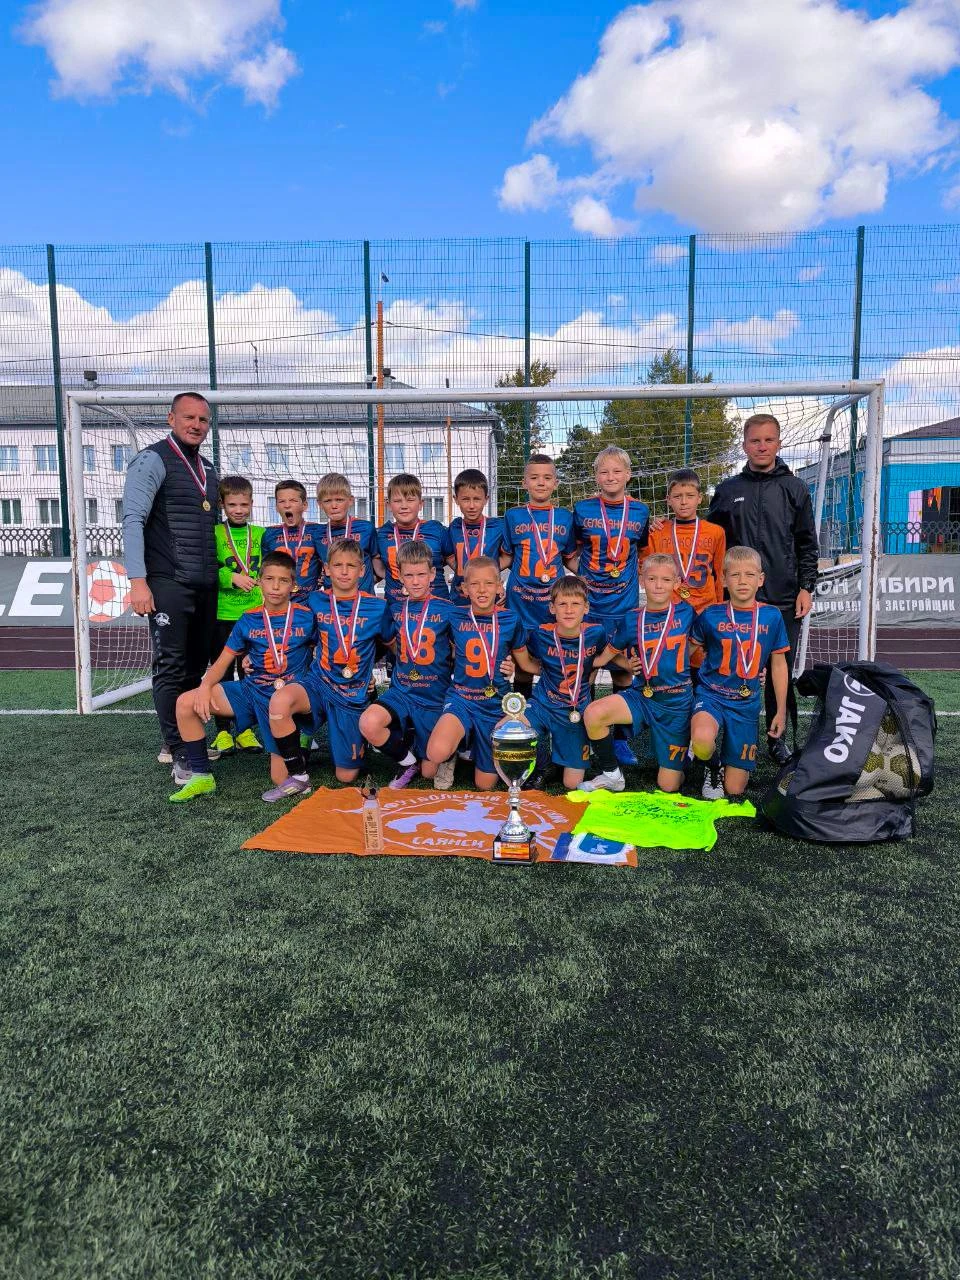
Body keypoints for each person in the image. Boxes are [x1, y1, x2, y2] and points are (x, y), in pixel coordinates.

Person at [707, 413, 818, 762]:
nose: (762, 446)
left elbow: (807, 543)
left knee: (779, 669)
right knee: (726, 665)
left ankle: (777, 737)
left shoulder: (795, 488)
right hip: (736, 599)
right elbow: (711, 542)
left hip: (783, 597)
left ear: (779, 444)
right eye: (755, 440)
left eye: (769, 440)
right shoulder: (728, 490)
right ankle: (715, 735)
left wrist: (806, 586)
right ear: (745, 445)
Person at [168, 552, 315, 803]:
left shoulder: (307, 616)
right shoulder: (249, 619)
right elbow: (222, 662)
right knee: (185, 703)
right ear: (259, 581)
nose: (276, 586)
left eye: (283, 580)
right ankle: (202, 776)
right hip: (251, 691)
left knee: (280, 778)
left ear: (293, 585)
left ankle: (301, 739)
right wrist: (205, 687)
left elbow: (324, 653)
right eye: (269, 579)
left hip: (284, 700)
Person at [123, 390, 220, 769]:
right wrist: (138, 581)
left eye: (203, 420)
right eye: (189, 417)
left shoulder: (208, 469)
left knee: (196, 667)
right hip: (168, 582)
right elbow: (133, 521)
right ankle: (177, 749)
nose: (196, 425)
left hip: (205, 584)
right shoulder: (151, 459)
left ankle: (188, 740)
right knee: (171, 665)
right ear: (171, 419)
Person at [266, 538, 391, 794]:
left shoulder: (378, 607)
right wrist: (251, 658)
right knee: (280, 701)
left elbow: (390, 646)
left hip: (351, 695)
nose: (344, 571)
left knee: (346, 776)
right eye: (337, 565)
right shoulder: (314, 600)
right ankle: (299, 772)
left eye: (351, 566)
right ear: (326, 569)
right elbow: (294, 636)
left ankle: (357, 736)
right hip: (319, 683)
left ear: (362, 570)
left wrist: (367, 674)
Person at [582, 555, 695, 795]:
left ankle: (689, 755)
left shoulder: (687, 612)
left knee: (669, 785)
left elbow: (709, 646)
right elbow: (608, 653)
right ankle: (612, 775)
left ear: (676, 582)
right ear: (642, 580)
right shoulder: (632, 618)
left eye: (666, 580)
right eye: (652, 579)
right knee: (593, 713)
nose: (658, 585)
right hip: (642, 696)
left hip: (675, 703)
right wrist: (605, 663)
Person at [569, 445, 650, 767]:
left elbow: (643, 550)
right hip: (590, 607)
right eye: (604, 471)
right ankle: (585, 736)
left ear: (628, 475)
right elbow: (570, 552)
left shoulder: (641, 512)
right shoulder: (582, 509)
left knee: (623, 673)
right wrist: (582, 576)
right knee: (586, 671)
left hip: (624, 606)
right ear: (596, 476)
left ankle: (619, 740)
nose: (611, 476)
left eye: (617, 471)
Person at [690, 546, 790, 800]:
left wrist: (780, 710)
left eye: (749, 574)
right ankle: (712, 767)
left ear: (761, 579)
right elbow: (683, 652)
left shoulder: (771, 616)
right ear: (724, 580)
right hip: (711, 695)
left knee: (735, 789)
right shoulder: (710, 614)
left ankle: (726, 762)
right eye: (735, 575)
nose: (742, 581)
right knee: (701, 740)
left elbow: (779, 665)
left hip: (746, 703)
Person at [359, 539, 456, 789]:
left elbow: (461, 651)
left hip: (434, 697)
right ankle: (407, 762)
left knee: (430, 772)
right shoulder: (394, 609)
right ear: (400, 577)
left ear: (432, 574)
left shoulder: (448, 610)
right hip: (402, 692)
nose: (415, 581)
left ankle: (449, 749)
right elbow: (387, 644)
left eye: (421, 574)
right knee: (369, 722)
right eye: (409, 575)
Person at [425, 556, 527, 791]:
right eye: (474, 584)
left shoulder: (511, 619)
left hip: (495, 703)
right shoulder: (454, 615)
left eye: (489, 583)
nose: (482, 590)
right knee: (435, 754)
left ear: (499, 586)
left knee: (485, 784)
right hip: (462, 698)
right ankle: (451, 752)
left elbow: (524, 662)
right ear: (464, 588)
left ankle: (466, 746)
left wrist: (514, 665)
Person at [513, 576, 619, 791]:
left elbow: (602, 657)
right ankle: (544, 764)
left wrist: (628, 665)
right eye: (562, 604)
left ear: (586, 607)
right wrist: (541, 669)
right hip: (544, 703)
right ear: (552, 608)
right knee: (509, 731)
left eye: (575, 604)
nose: (569, 610)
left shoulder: (596, 632)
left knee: (572, 783)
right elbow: (527, 663)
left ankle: (562, 757)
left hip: (575, 709)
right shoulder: (541, 634)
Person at [502, 454, 576, 703]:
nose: (541, 483)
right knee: (521, 664)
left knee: (554, 659)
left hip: (551, 605)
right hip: (520, 602)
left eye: (547, 477)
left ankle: (555, 709)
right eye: (534, 478)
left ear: (556, 482)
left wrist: (592, 577)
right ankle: (520, 714)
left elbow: (569, 558)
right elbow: (507, 557)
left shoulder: (565, 517)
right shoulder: (513, 516)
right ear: (524, 483)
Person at [210, 475, 266, 756]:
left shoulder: (261, 535)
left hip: (253, 615)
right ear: (222, 504)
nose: (239, 510)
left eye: (244, 504)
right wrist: (230, 577)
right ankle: (222, 732)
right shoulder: (215, 533)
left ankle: (245, 730)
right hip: (222, 614)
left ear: (252, 503)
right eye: (232, 504)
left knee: (249, 671)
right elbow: (206, 566)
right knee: (221, 671)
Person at [643, 468, 726, 613]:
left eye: (690, 495)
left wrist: (719, 610)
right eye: (677, 496)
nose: (683, 502)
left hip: (707, 609)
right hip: (672, 610)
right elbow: (647, 573)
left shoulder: (716, 532)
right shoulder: (658, 532)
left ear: (699, 498)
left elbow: (720, 575)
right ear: (668, 500)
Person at [376, 472, 451, 605]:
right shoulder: (381, 534)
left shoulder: (436, 530)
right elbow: (376, 562)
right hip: (397, 608)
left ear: (421, 504)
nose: (404, 506)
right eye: (397, 501)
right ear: (388, 505)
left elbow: (452, 560)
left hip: (436, 607)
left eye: (410, 500)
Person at [446, 468, 506, 606]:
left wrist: (491, 571)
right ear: (456, 499)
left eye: (477, 499)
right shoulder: (454, 528)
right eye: (466, 499)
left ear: (486, 499)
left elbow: (509, 557)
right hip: (459, 599)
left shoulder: (498, 527)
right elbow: (448, 556)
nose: (472, 506)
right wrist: (463, 570)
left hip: (491, 599)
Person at [315, 472, 381, 593]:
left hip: (363, 599)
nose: (334, 505)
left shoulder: (366, 528)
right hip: (333, 600)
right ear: (319, 504)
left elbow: (377, 558)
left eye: (339, 500)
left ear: (350, 500)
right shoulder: (317, 534)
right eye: (327, 501)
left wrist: (371, 581)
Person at [261, 479, 324, 603]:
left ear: (304, 505)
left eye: (293, 500)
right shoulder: (268, 534)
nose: (287, 505)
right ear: (276, 507)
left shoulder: (318, 531)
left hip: (309, 602)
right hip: (280, 601)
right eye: (282, 501)